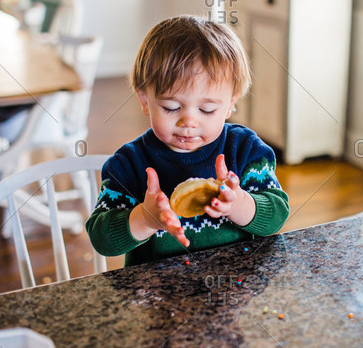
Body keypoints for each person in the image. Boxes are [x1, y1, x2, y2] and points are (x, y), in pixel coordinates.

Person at [86, 15, 290, 266]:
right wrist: (145, 218)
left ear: (230, 105)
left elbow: (277, 214)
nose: (189, 122)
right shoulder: (128, 164)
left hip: (234, 289)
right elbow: (101, 240)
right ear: (144, 100)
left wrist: (239, 205)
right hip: (158, 295)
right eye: (171, 107)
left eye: (207, 110)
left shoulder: (246, 150)